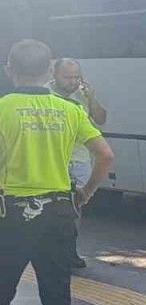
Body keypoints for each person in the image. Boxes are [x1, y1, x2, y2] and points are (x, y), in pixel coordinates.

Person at [0, 40, 113, 305]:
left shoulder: (3, 109)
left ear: (9, 71)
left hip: (11, 216)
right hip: (58, 213)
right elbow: (105, 155)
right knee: (56, 293)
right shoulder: (69, 110)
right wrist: (86, 192)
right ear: (49, 72)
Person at [50, 59, 108, 270]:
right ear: (54, 75)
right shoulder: (45, 93)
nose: (73, 82)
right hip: (55, 159)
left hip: (80, 160)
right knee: (54, 208)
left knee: (75, 209)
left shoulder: (83, 94)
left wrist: (91, 99)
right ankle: (55, 250)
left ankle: (69, 249)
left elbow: (101, 119)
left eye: (77, 77)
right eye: (68, 77)